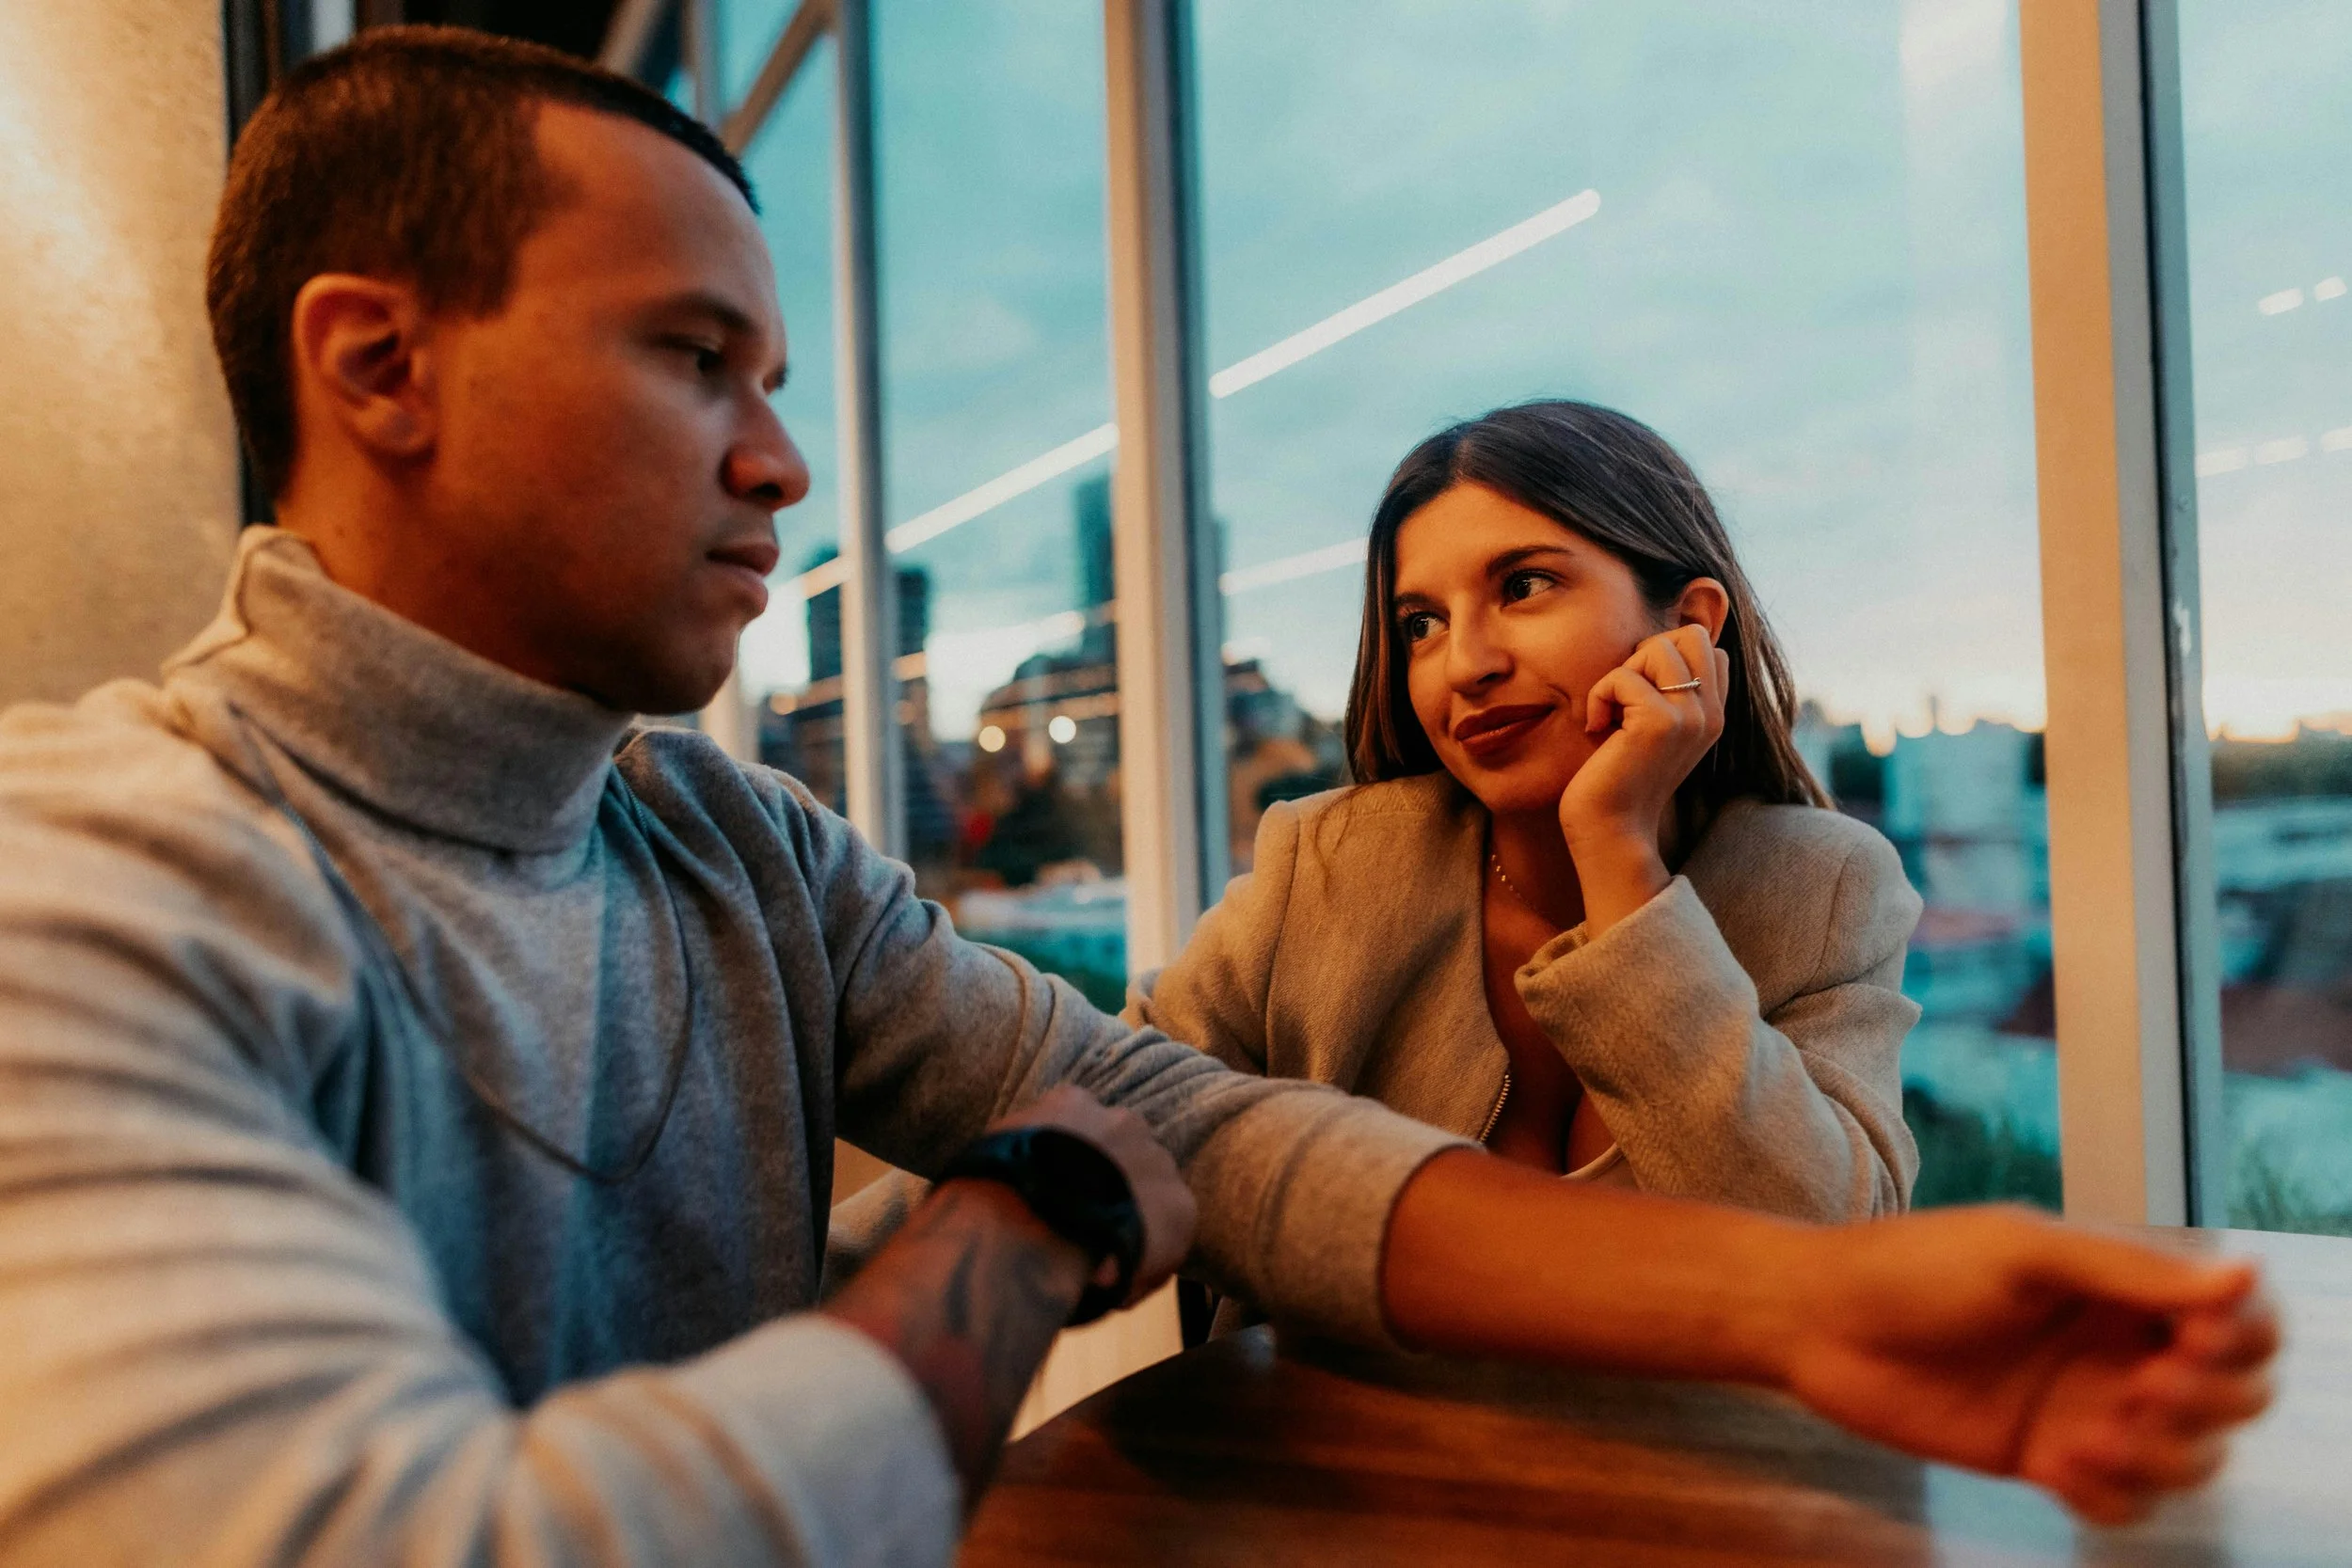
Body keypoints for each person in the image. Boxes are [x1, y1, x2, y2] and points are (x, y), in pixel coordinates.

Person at [0, 28, 2274, 1567]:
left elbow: (1187, 1119)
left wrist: (1793, 1310)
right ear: (373, 364)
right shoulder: (95, 878)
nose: (784, 461)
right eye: (695, 362)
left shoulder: (745, 855)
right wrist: (1015, 1225)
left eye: (775, 380)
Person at [1136, 402, 1916, 1225]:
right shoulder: (1328, 866)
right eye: (1421, 624)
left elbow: (1832, 1242)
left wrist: (1616, 848)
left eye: (1524, 585)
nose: (1465, 664)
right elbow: (1113, 1102)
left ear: (1689, 626)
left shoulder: (1824, 887)